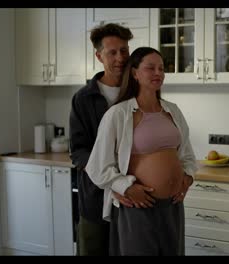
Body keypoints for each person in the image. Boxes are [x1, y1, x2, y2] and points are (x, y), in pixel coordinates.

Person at [85, 47, 197, 256]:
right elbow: (98, 166)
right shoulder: (118, 114)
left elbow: (187, 155)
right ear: (135, 73)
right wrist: (125, 188)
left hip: (172, 206)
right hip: (138, 206)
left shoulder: (172, 110)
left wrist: (187, 178)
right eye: (150, 68)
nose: (158, 73)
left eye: (162, 68)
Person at [69, 23, 139, 256]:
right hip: (95, 200)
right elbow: (78, 151)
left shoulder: (139, 92)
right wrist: (113, 182)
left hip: (133, 198)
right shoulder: (83, 98)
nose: (120, 58)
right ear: (99, 56)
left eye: (124, 50)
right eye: (112, 52)